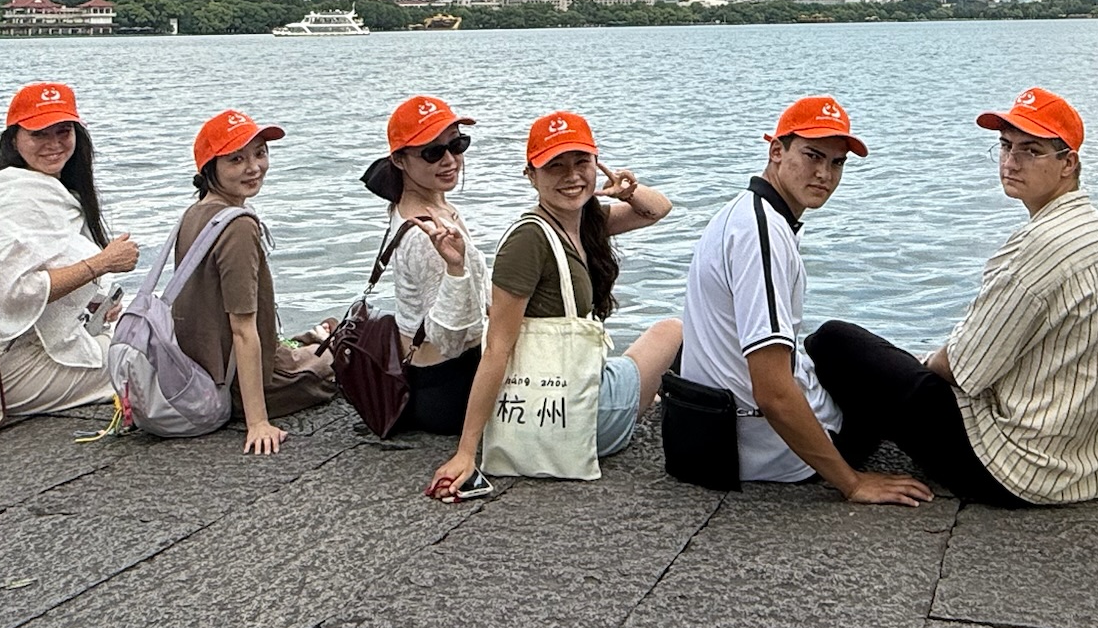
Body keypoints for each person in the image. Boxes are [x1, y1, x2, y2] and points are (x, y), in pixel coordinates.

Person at [809, 87, 1098, 506]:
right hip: (1096, 461)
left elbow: (961, 368)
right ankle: (847, 447)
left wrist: (918, 364)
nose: (1011, 161)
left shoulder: (1039, 247)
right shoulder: (1093, 227)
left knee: (835, 342)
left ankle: (839, 461)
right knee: (886, 363)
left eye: (1031, 150)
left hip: (1023, 469)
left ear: (1067, 163)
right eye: (1005, 146)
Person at [677, 96, 932, 504]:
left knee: (835, 342)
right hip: (769, 454)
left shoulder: (744, 212)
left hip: (715, 434)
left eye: (837, 163)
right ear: (776, 151)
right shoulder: (763, 234)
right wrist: (852, 482)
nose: (824, 173)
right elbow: (773, 390)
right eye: (813, 155)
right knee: (886, 375)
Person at [428, 111, 682, 496]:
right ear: (531, 175)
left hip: (560, 409)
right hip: (581, 424)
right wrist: (466, 452)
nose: (572, 176)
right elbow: (497, 348)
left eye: (582, 162)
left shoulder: (585, 221)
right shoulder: (528, 240)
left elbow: (658, 209)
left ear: (598, 164)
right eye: (555, 166)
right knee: (673, 330)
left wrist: (627, 189)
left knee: (633, 357)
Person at [0, 82, 139, 417]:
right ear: (14, 139)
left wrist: (95, 306)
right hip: (2, 363)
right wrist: (102, 263)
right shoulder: (10, 199)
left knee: (142, 332)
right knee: (148, 362)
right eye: (39, 133)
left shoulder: (49, 192)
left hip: (29, 347)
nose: (54, 144)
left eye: (63, 130)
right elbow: (14, 293)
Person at [171, 110, 337, 455]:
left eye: (260, 153)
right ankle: (324, 342)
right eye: (236, 159)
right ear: (210, 168)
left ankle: (317, 337)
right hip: (239, 386)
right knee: (340, 360)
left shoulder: (194, 214)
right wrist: (257, 421)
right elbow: (242, 328)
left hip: (198, 373)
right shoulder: (239, 226)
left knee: (320, 342)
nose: (254, 167)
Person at [357, 95, 487, 434]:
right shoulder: (424, 234)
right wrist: (457, 270)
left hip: (435, 380)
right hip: (450, 388)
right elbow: (448, 339)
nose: (449, 160)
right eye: (432, 152)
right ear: (400, 161)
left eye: (457, 145)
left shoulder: (427, 205)